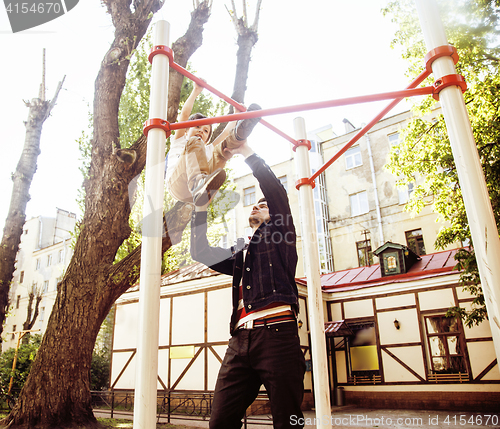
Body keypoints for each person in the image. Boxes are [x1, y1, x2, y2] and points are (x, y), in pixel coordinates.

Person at [190, 141, 306, 429]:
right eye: (257, 202)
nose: (258, 204)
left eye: (264, 204)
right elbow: (200, 252)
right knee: (219, 422)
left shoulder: (282, 235)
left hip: (277, 336)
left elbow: (277, 195)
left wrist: (246, 153)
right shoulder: (241, 252)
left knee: (287, 422)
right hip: (240, 342)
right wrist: (200, 207)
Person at [165, 81, 261, 206]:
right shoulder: (180, 140)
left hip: (194, 193)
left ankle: (241, 132)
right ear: (187, 129)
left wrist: (236, 115)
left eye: (205, 131)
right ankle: (199, 184)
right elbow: (184, 115)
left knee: (222, 151)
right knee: (195, 142)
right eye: (197, 126)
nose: (201, 131)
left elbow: (225, 133)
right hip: (176, 184)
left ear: (207, 140)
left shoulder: (207, 149)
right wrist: (195, 91)